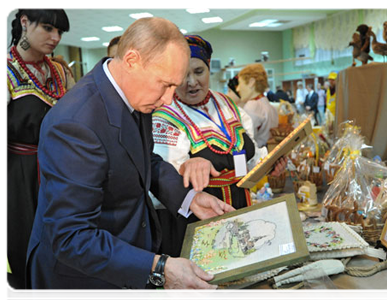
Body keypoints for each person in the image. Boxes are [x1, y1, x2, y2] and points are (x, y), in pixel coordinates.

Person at [26, 18, 235, 300]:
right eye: (165, 85)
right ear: (133, 60)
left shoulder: (138, 94)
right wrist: (159, 267)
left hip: (123, 259)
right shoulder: (75, 123)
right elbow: (70, 237)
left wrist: (189, 200)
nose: (169, 100)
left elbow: (143, 159)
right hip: (82, 280)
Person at [152, 35, 286, 257]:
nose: (192, 81)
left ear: (208, 70)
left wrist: (268, 166)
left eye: (198, 71)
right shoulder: (165, 116)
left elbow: (247, 161)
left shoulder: (229, 106)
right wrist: (186, 167)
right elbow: (159, 181)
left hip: (240, 211)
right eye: (183, 74)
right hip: (196, 222)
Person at [5, 8, 73, 300]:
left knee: (66, 244)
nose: (55, 38)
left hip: (60, 170)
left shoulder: (58, 71)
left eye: (59, 32)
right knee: (25, 247)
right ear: (24, 23)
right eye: (47, 28)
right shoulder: (5, 71)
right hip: (18, 177)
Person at [236, 63, 279, 148]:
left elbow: (244, 139)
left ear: (251, 82)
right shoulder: (270, 106)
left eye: (240, 83)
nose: (238, 89)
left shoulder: (252, 106)